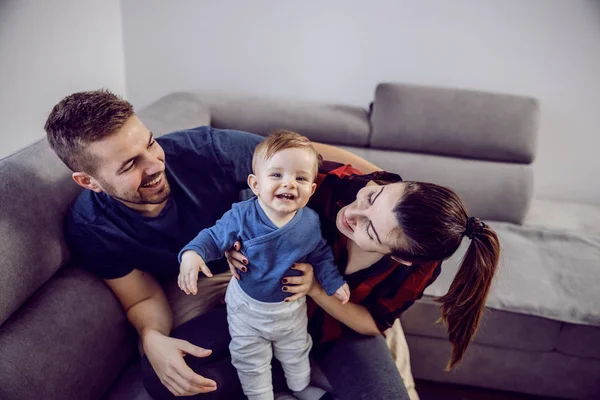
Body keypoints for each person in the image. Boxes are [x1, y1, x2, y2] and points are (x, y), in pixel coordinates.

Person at [44, 89, 411, 399]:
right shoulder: (92, 229)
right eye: (129, 166)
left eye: (151, 143)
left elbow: (307, 156)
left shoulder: (205, 151)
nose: (155, 164)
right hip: (201, 285)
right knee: (165, 376)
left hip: (286, 270)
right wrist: (152, 337)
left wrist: (392, 193)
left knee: (377, 351)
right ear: (88, 181)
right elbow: (142, 298)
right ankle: (293, 375)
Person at [178, 130, 349, 400]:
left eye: (300, 178)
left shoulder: (309, 222)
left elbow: (321, 254)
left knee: (296, 350)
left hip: (290, 308)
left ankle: (301, 388)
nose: (289, 184)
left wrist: (333, 282)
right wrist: (193, 254)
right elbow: (213, 236)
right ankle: (261, 396)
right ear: (255, 184)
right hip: (247, 308)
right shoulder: (241, 215)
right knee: (250, 357)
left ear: (312, 189)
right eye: (277, 175)